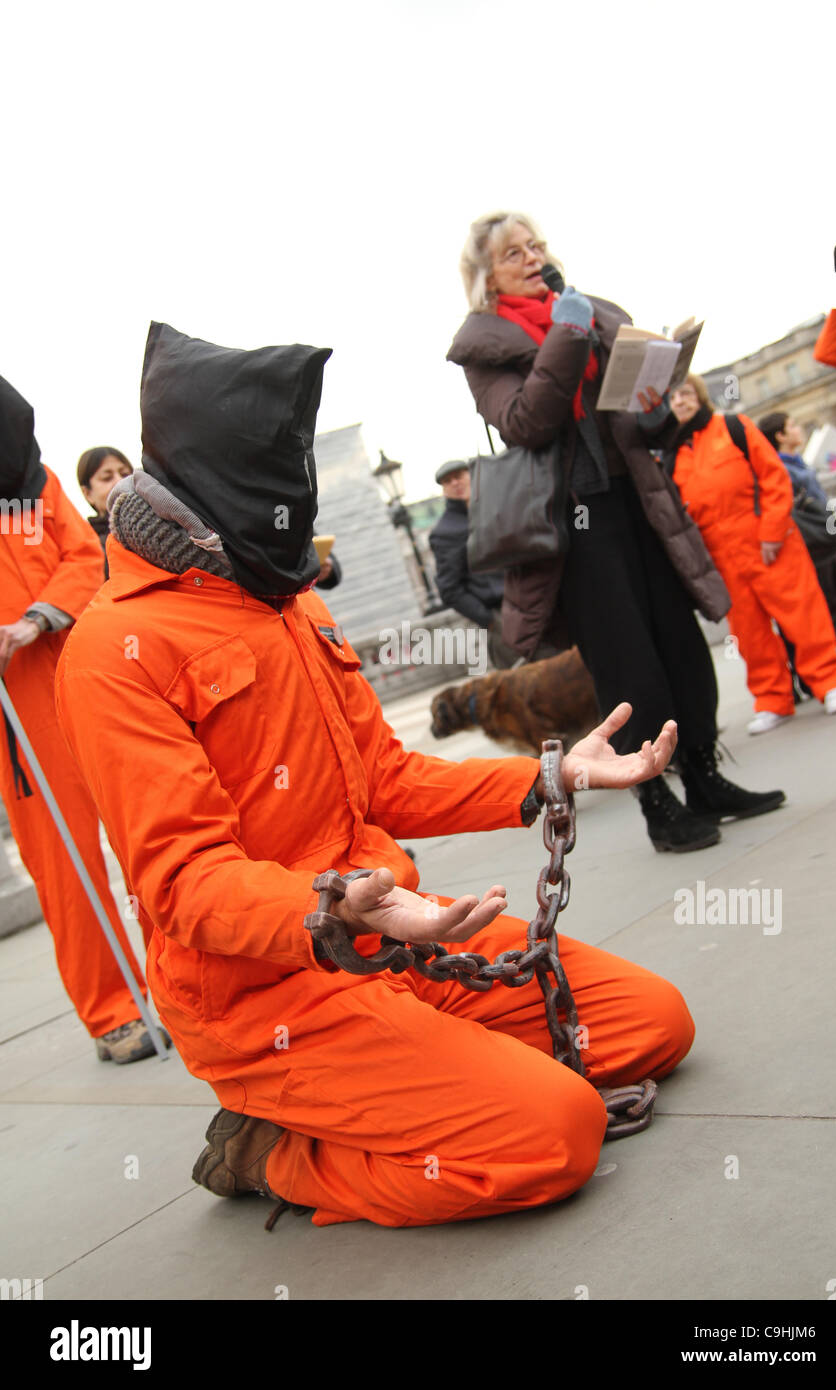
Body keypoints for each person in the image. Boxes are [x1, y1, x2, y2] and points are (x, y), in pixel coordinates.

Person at [56, 321, 695, 1230]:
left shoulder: (287, 599)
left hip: (398, 943)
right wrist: (329, 907)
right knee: (553, 1135)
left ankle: (423, 1071)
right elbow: (181, 882)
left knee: (652, 1025)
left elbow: (382, 776)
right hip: (264, 996)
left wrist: (550, 778)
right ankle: (276, 1151)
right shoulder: (113, 652)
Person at [447, 211, 784, 853]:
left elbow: (633, 426)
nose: (532, 256)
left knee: (682, 650)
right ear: (487, 277)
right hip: (575, 530)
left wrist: (655, 406)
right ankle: (657, 803)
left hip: (636, 503)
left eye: (536, 244)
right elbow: (527, 421)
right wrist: (567, 335)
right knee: (630, 670)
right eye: (514, 252)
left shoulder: (596, 315)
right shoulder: (484, 345)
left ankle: (707, 779)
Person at [0, 377, 166, 1064]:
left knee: (147, 830)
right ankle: (113, 1012)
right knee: (65, 866)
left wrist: (34, 619)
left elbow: (78, 554)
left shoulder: (29, 481)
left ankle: (182, 978)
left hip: (76, 671)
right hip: (16, 714)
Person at [669, 376, 836, 733]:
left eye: (686, 393)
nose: (680, 401)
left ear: (700, 397)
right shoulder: (674, 451)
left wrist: (771, 532)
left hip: (767, 541)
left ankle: (830, 681)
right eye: (673, 396)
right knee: (748, 632)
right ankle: (772, 699)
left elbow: (774, 478)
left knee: (802, 615)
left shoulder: (734, 427)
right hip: (721, 555)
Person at [758, 411, 836, 663]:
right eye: (792, 426)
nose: (798, 430)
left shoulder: (797, 462)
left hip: (822, 534)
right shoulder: (781, 468)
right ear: (780, 436)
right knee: (826, 589)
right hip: (810, 539)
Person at [428, 460, 521, 668]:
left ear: (471, 476)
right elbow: (449, 589)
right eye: (448, 481)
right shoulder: (445, 532)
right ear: (444, 489)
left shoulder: (496, 509)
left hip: (530, 602)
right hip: (500, 615)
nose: (455, 483)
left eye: (459, 476)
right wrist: (490, 620)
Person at [77, 446, 134, 575]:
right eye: (107, 478)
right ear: (87, 494)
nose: (119, 481)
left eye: (125, 474)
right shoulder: (84, 549)